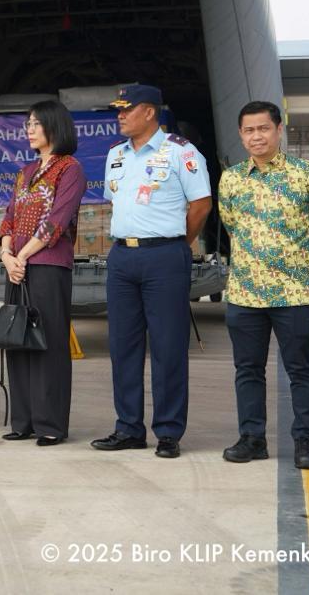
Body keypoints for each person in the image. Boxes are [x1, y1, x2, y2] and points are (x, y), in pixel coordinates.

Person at [91, 84, 211, 459]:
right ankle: (128, 427)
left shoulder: (180, 151)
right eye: (118, 110)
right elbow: (118, 203)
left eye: (127, 109)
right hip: (123, 257)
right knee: (122, 346)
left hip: (165, 256)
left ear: (149, 112)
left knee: (168, 346)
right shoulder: (115, 155)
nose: (120, 115)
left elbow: (202, 205)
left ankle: (169, 431)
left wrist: (176, 242)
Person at [217, 100, 309, 469]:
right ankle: (252, 439)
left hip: (294, 292)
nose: (256, 136)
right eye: (249, 130)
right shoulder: (232, 178)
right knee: (247, 369)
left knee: (300, 367)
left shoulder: (307, 174)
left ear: (278, 130)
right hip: (245, 293)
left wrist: (295, 263)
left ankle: (305, 442)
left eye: (263, 128)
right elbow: (231, 225)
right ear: (241, 134)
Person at [0, 100, 84, 446]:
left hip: (48, 265)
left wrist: (24, 255)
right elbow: (8, 218)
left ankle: (50, 424)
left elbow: (57, 222)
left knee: (49, 344)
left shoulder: (70, 169)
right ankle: (23, 421)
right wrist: (7, 255)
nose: (29, 130)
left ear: (54, 126)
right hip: (17, 266)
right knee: (17, 339)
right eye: (27, 124)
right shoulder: (25, 171)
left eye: (35, 124)